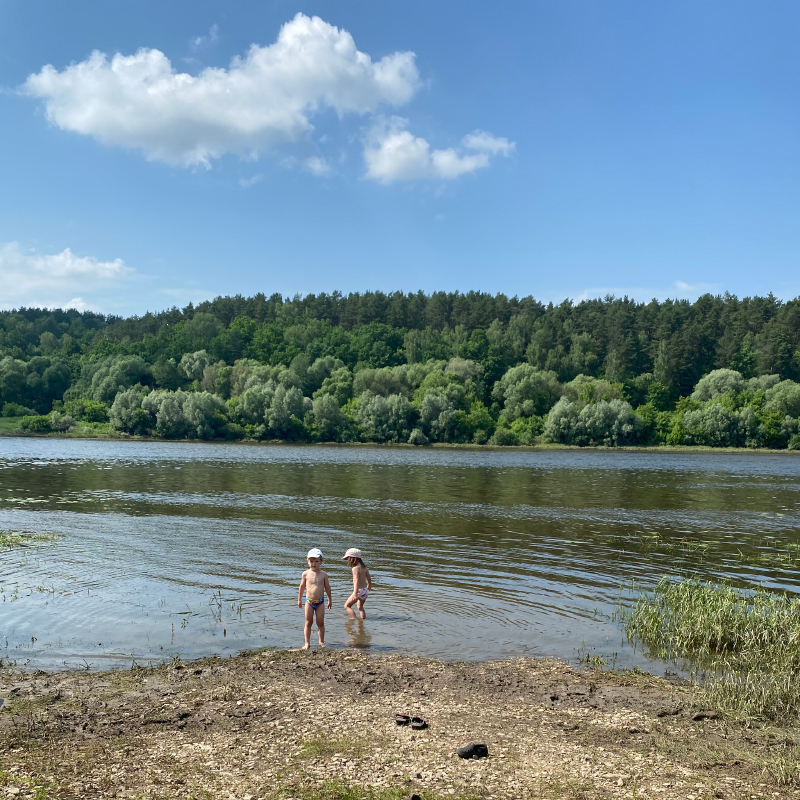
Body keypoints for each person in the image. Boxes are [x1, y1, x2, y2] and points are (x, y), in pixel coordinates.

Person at [298, 547, 332, 650]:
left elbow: (327, 588)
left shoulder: (324, 575)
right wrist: (299, 599)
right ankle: (307, 643)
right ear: (308, 561)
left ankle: (321, 641)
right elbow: (302, 587)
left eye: (316, 561)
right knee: (308, 622)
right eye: (311, 561)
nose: (314, 564)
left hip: (320, 602)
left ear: (321, 562)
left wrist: (330, 600)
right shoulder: (306, 574)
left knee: (320, 622)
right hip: (309, 601)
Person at [342, 547, 372, 619]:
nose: (348, 561)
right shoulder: (364, 567)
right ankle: (363, 620)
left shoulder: (355, 568)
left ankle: (354, 619)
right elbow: (369, 577)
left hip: (358, 591)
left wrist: (355, 593)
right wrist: (369, 585)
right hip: (364, 590)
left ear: (352, 559)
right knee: (360, 607)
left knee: (347, 606)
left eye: (348, 559)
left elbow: (356, 581)